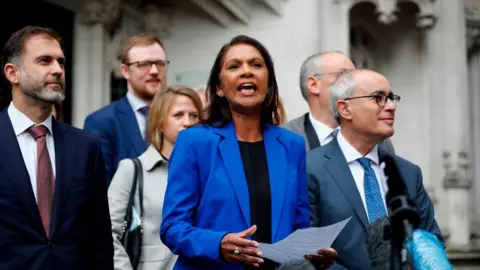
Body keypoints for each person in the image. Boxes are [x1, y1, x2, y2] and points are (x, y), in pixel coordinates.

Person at [160, 35, 337, 270]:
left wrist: (313, 251)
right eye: (234, 66)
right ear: (219, 87)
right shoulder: (194, 142)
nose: (247, 72)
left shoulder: (292, 145)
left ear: (269, 83)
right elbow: (172, 226)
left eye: (256, 65)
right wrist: (218, 243)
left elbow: (300, 224)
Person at [0, 26, 113, 269]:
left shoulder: (86, 147)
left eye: (61, 62)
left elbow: (99, 239)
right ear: (12, 73)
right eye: (44, 61)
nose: (58, 70)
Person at [307, 69, 442, 270]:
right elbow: (306, 250)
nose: (391, 107)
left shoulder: (407, 173)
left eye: (391, 98)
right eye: (379, 97)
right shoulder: (310, 168)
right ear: (345, 109)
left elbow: (432, 242)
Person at [108, 85, 203, 270]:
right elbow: (107, 232)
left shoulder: (206, 172)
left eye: (194, 115)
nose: (188, 122)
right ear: (160, 122)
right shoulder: (133, 169)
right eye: (178, 115)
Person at [84, 33, 168, 185]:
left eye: (160, 63)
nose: (155, 71)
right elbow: (100, 188)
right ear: (125, 71)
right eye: (144, 64)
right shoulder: (101, 122)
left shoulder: (182, 118)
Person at [283, 51, 395, 153]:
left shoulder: (377, 139)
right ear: (313, 85)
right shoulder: (283, 138)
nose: (354, 84)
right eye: (345, 76)